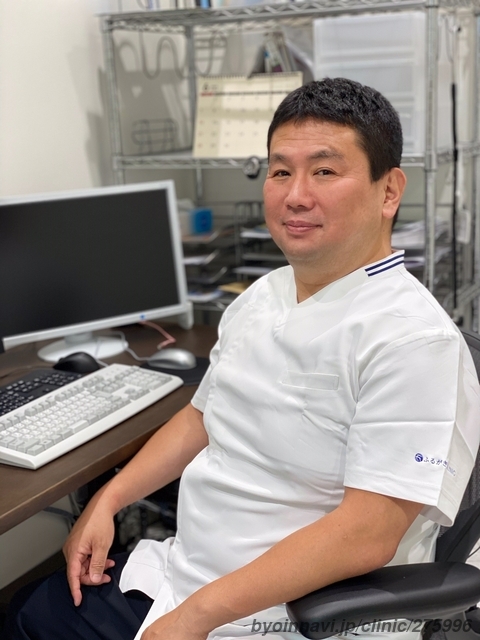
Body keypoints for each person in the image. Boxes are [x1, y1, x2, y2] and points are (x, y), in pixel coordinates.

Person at [6, 77, 480, 640]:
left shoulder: (414, 341)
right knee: (30, 611)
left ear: (389, 191)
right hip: (187, 575)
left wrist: (193, 618)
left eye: (325, 171)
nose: (295, 195)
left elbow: (367, 533)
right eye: (280, 172)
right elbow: (201, 417)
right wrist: (108, 500)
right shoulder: (263, 295)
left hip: (283, 618)